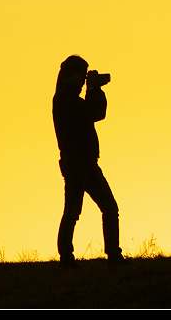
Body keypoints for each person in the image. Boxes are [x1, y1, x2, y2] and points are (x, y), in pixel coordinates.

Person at [53, 55, 123, 267]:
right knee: (99, 208)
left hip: (82, 163)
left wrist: (93, 90)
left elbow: (94, 113)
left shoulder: (65, 99)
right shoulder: (66, 101)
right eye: (80, 77)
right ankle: (108, 255)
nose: (82, 81)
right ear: (69, 76)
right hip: (79, 165)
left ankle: (70, 256)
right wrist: (94, 90)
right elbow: (95, 113)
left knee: (77, 211)